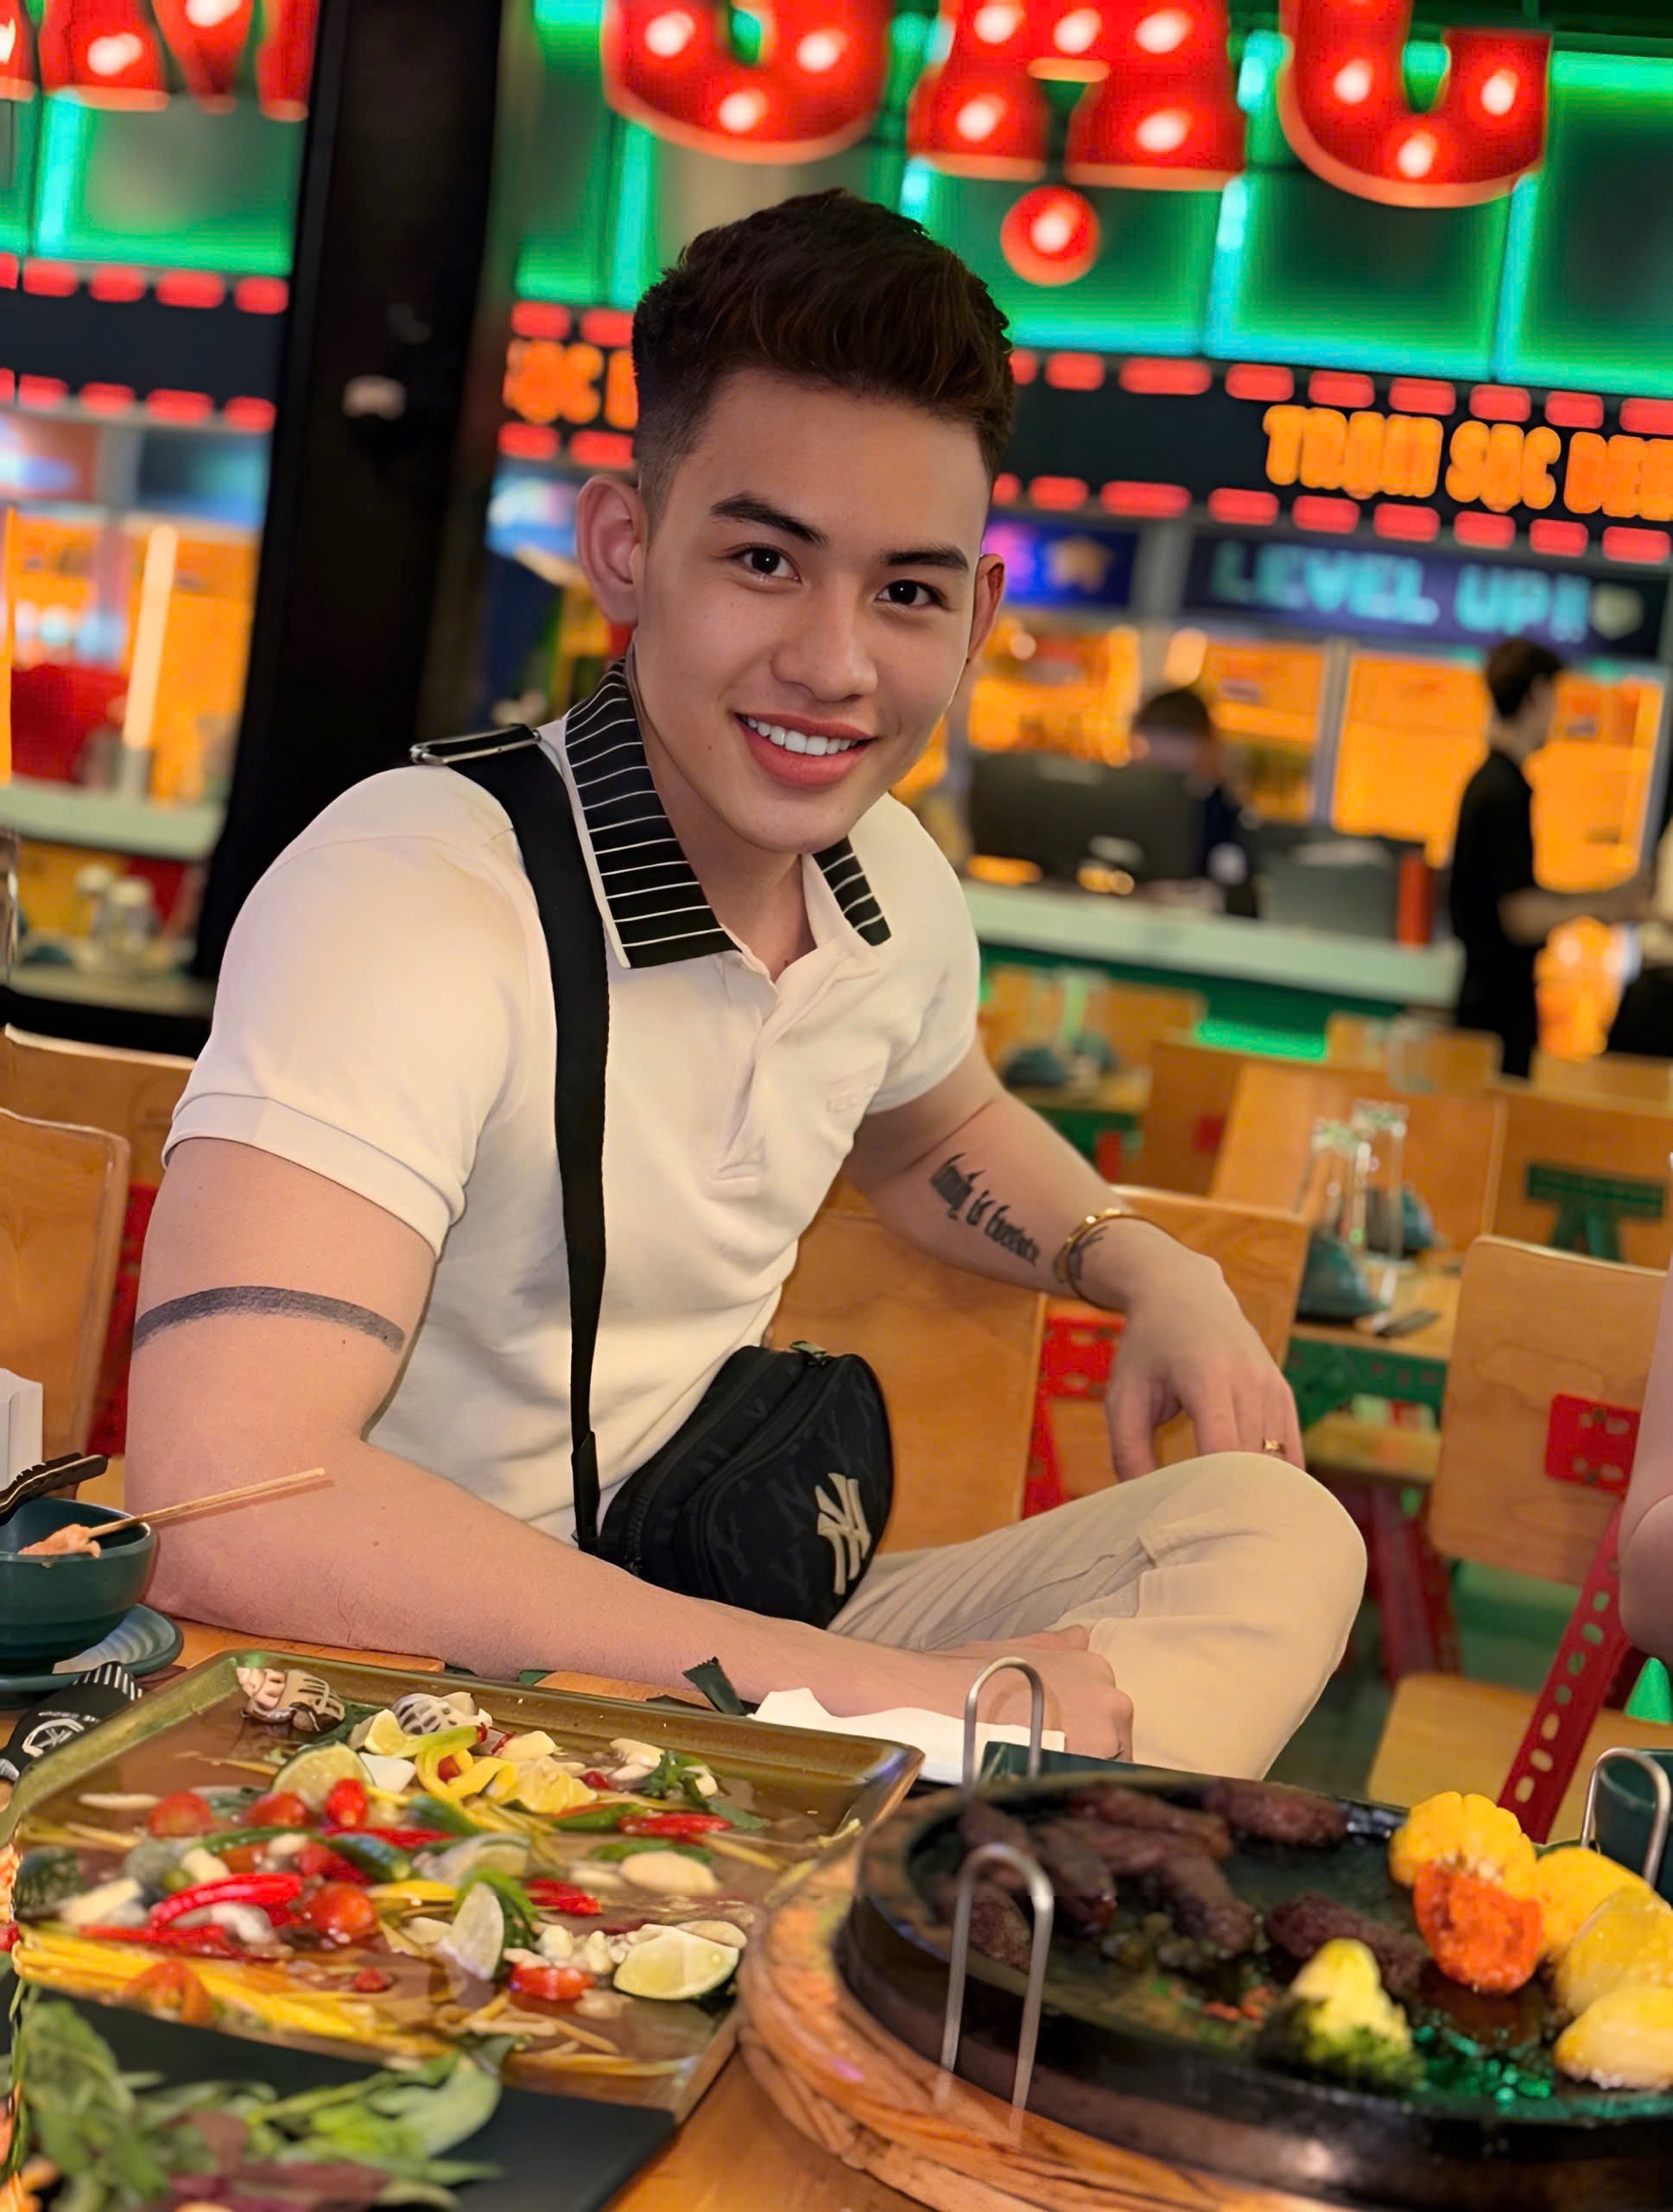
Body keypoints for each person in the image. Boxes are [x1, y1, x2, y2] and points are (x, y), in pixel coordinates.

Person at [126, 192, 1364, 1780]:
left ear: (976, 617)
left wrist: (1143, 1264)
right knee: (987, 1727)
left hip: (720, 1606)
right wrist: (858, 1698)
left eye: (906, 592)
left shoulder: (891, 886)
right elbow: (229, 1495)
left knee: (1272, 1530)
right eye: (766, 560)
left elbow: (935, 1133)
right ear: (626, 548)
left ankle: (931, 1833)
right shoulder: (415, 892)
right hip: (389, 1672)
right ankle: (948, 1841)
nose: (834, 664)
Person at [1448, 638, 1649, 1081]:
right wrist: (1600, 905)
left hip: (1487, 1003)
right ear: (1537, 694)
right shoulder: (1502, 791)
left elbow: (1516, 892)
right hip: (1495, 1008)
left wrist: (1604, 899)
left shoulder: (1492, 783)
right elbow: (1518, 914)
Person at [1130, 685, 1253, 909]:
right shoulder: (1130, 800)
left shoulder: (1221, 809)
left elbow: (1234, 884)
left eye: (1174, 736)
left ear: (1203, 742)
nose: (1163, 748)